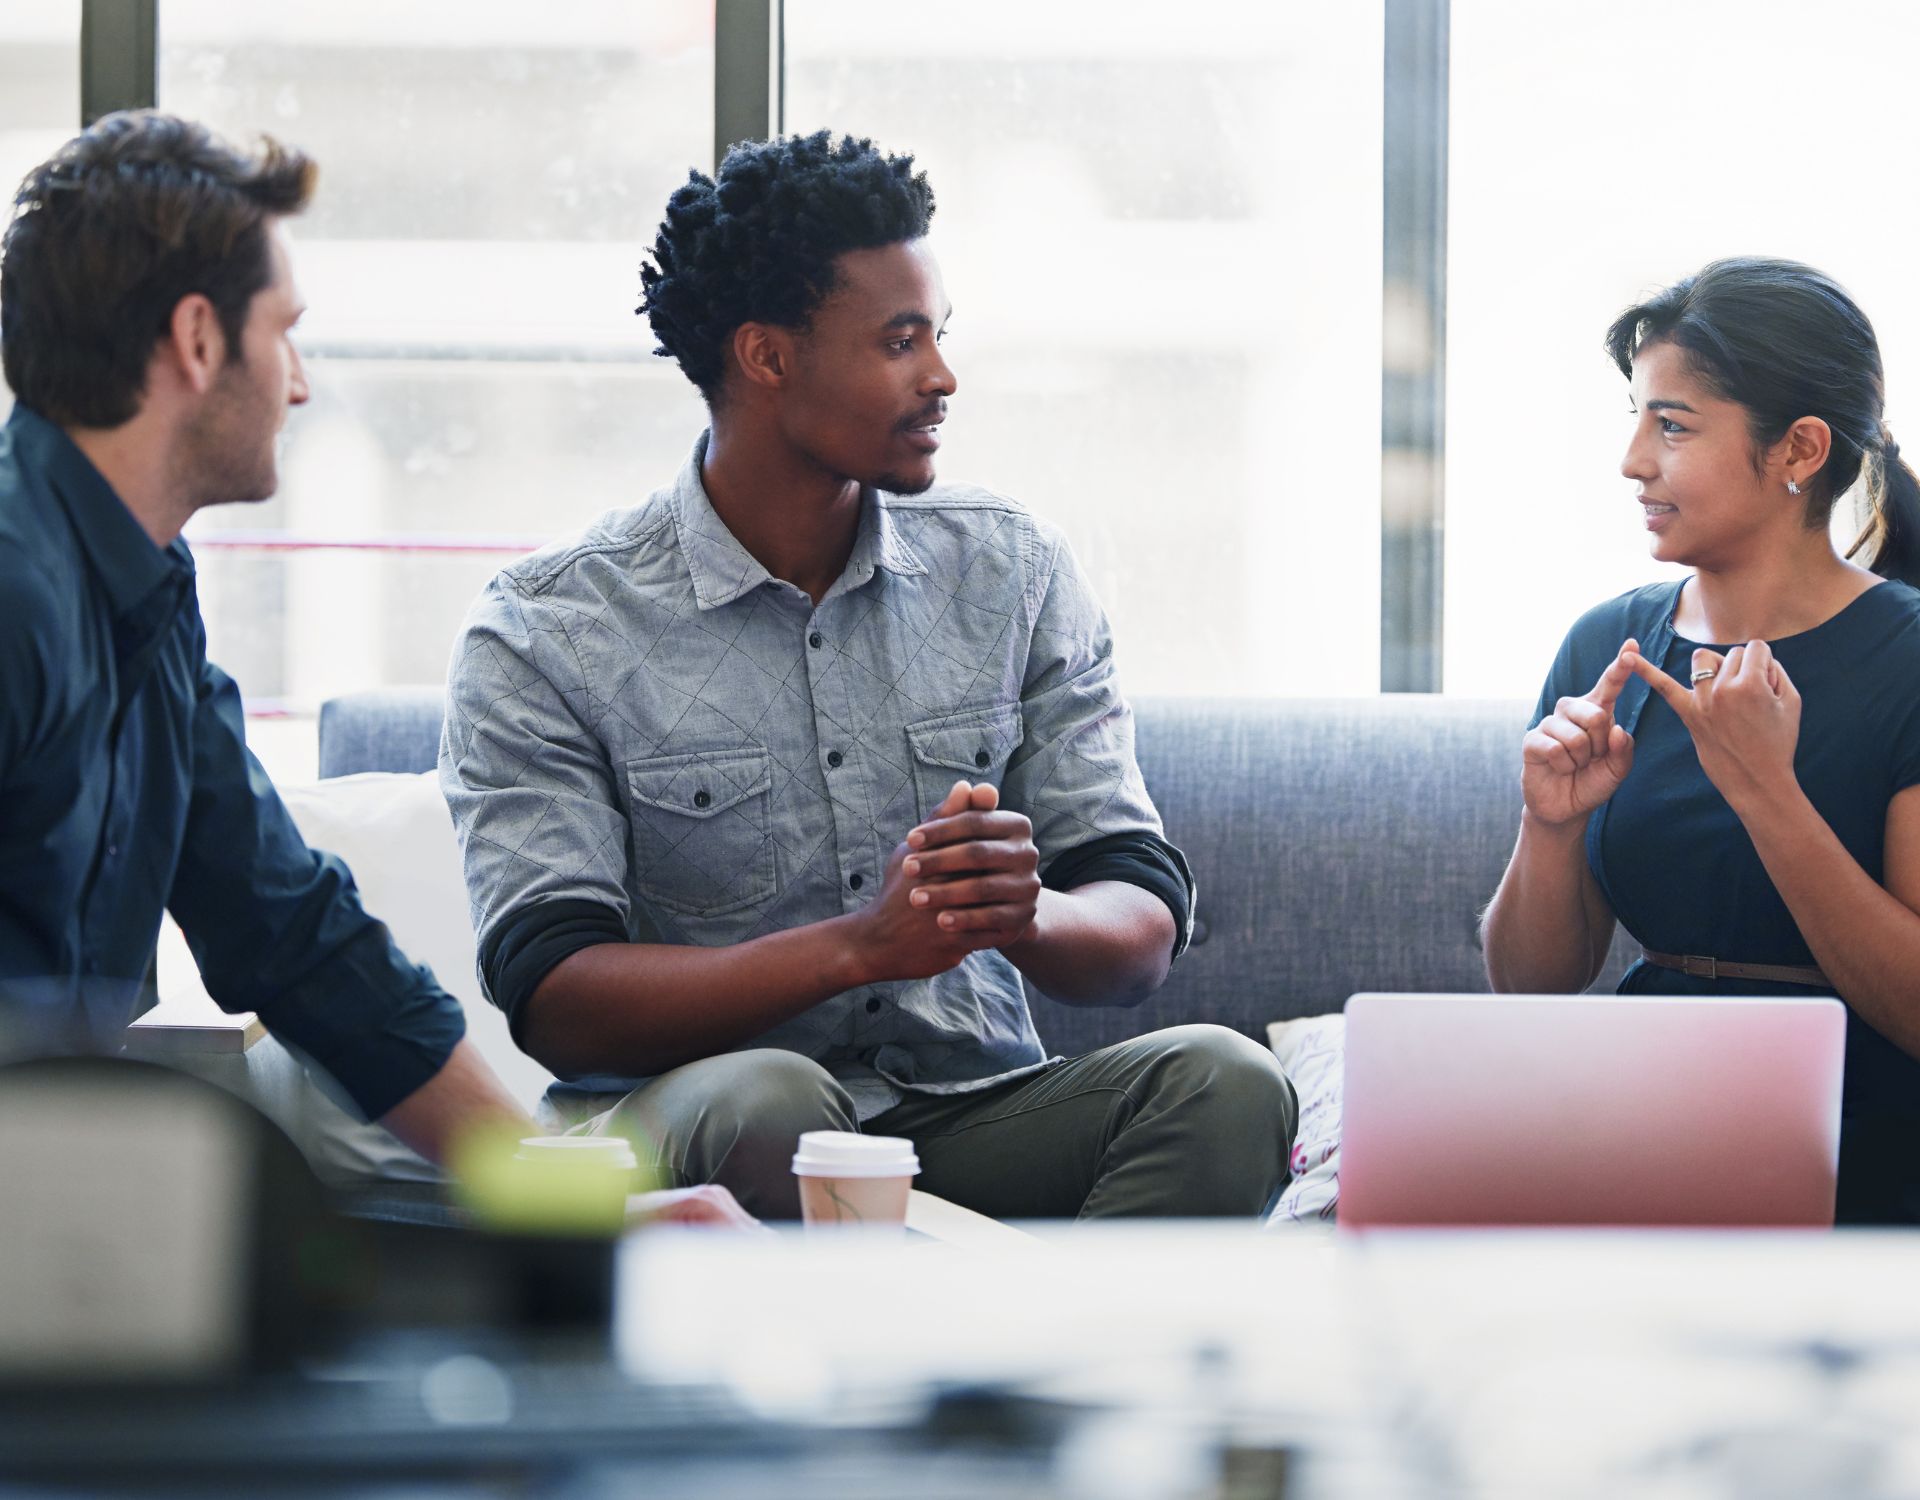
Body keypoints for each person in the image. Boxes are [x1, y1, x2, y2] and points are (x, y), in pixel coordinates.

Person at [441, 131, 1297, 1222]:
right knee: (776, 1097)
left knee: (1225, 1082)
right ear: (766, 357)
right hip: (706, 1122)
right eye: (900, 341)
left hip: (968, 1112)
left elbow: (1137, 926)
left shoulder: (1010, 569)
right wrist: (858, 948)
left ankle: (1052, 1372)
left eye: (937, 335)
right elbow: (556, 1000)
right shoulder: (548, 630)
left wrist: (1019, 913)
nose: (942, 376)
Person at [0, 111, 750, 1229]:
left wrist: (560, 1201)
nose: (299, 384)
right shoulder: (16, 594)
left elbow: (293, 936)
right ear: (199, 340)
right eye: (284, 332)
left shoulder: (147, 598)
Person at [1481, 256, 1920, 1224]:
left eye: (1672, 425)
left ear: (1799, 449)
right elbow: (1529, 987)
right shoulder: (1610, 646)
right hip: (1642, 1124)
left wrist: (1767, 790)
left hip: (1868, 1146)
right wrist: (1548, 828)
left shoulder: (1908, 658)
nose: (1634, 459)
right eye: (1635, 418)